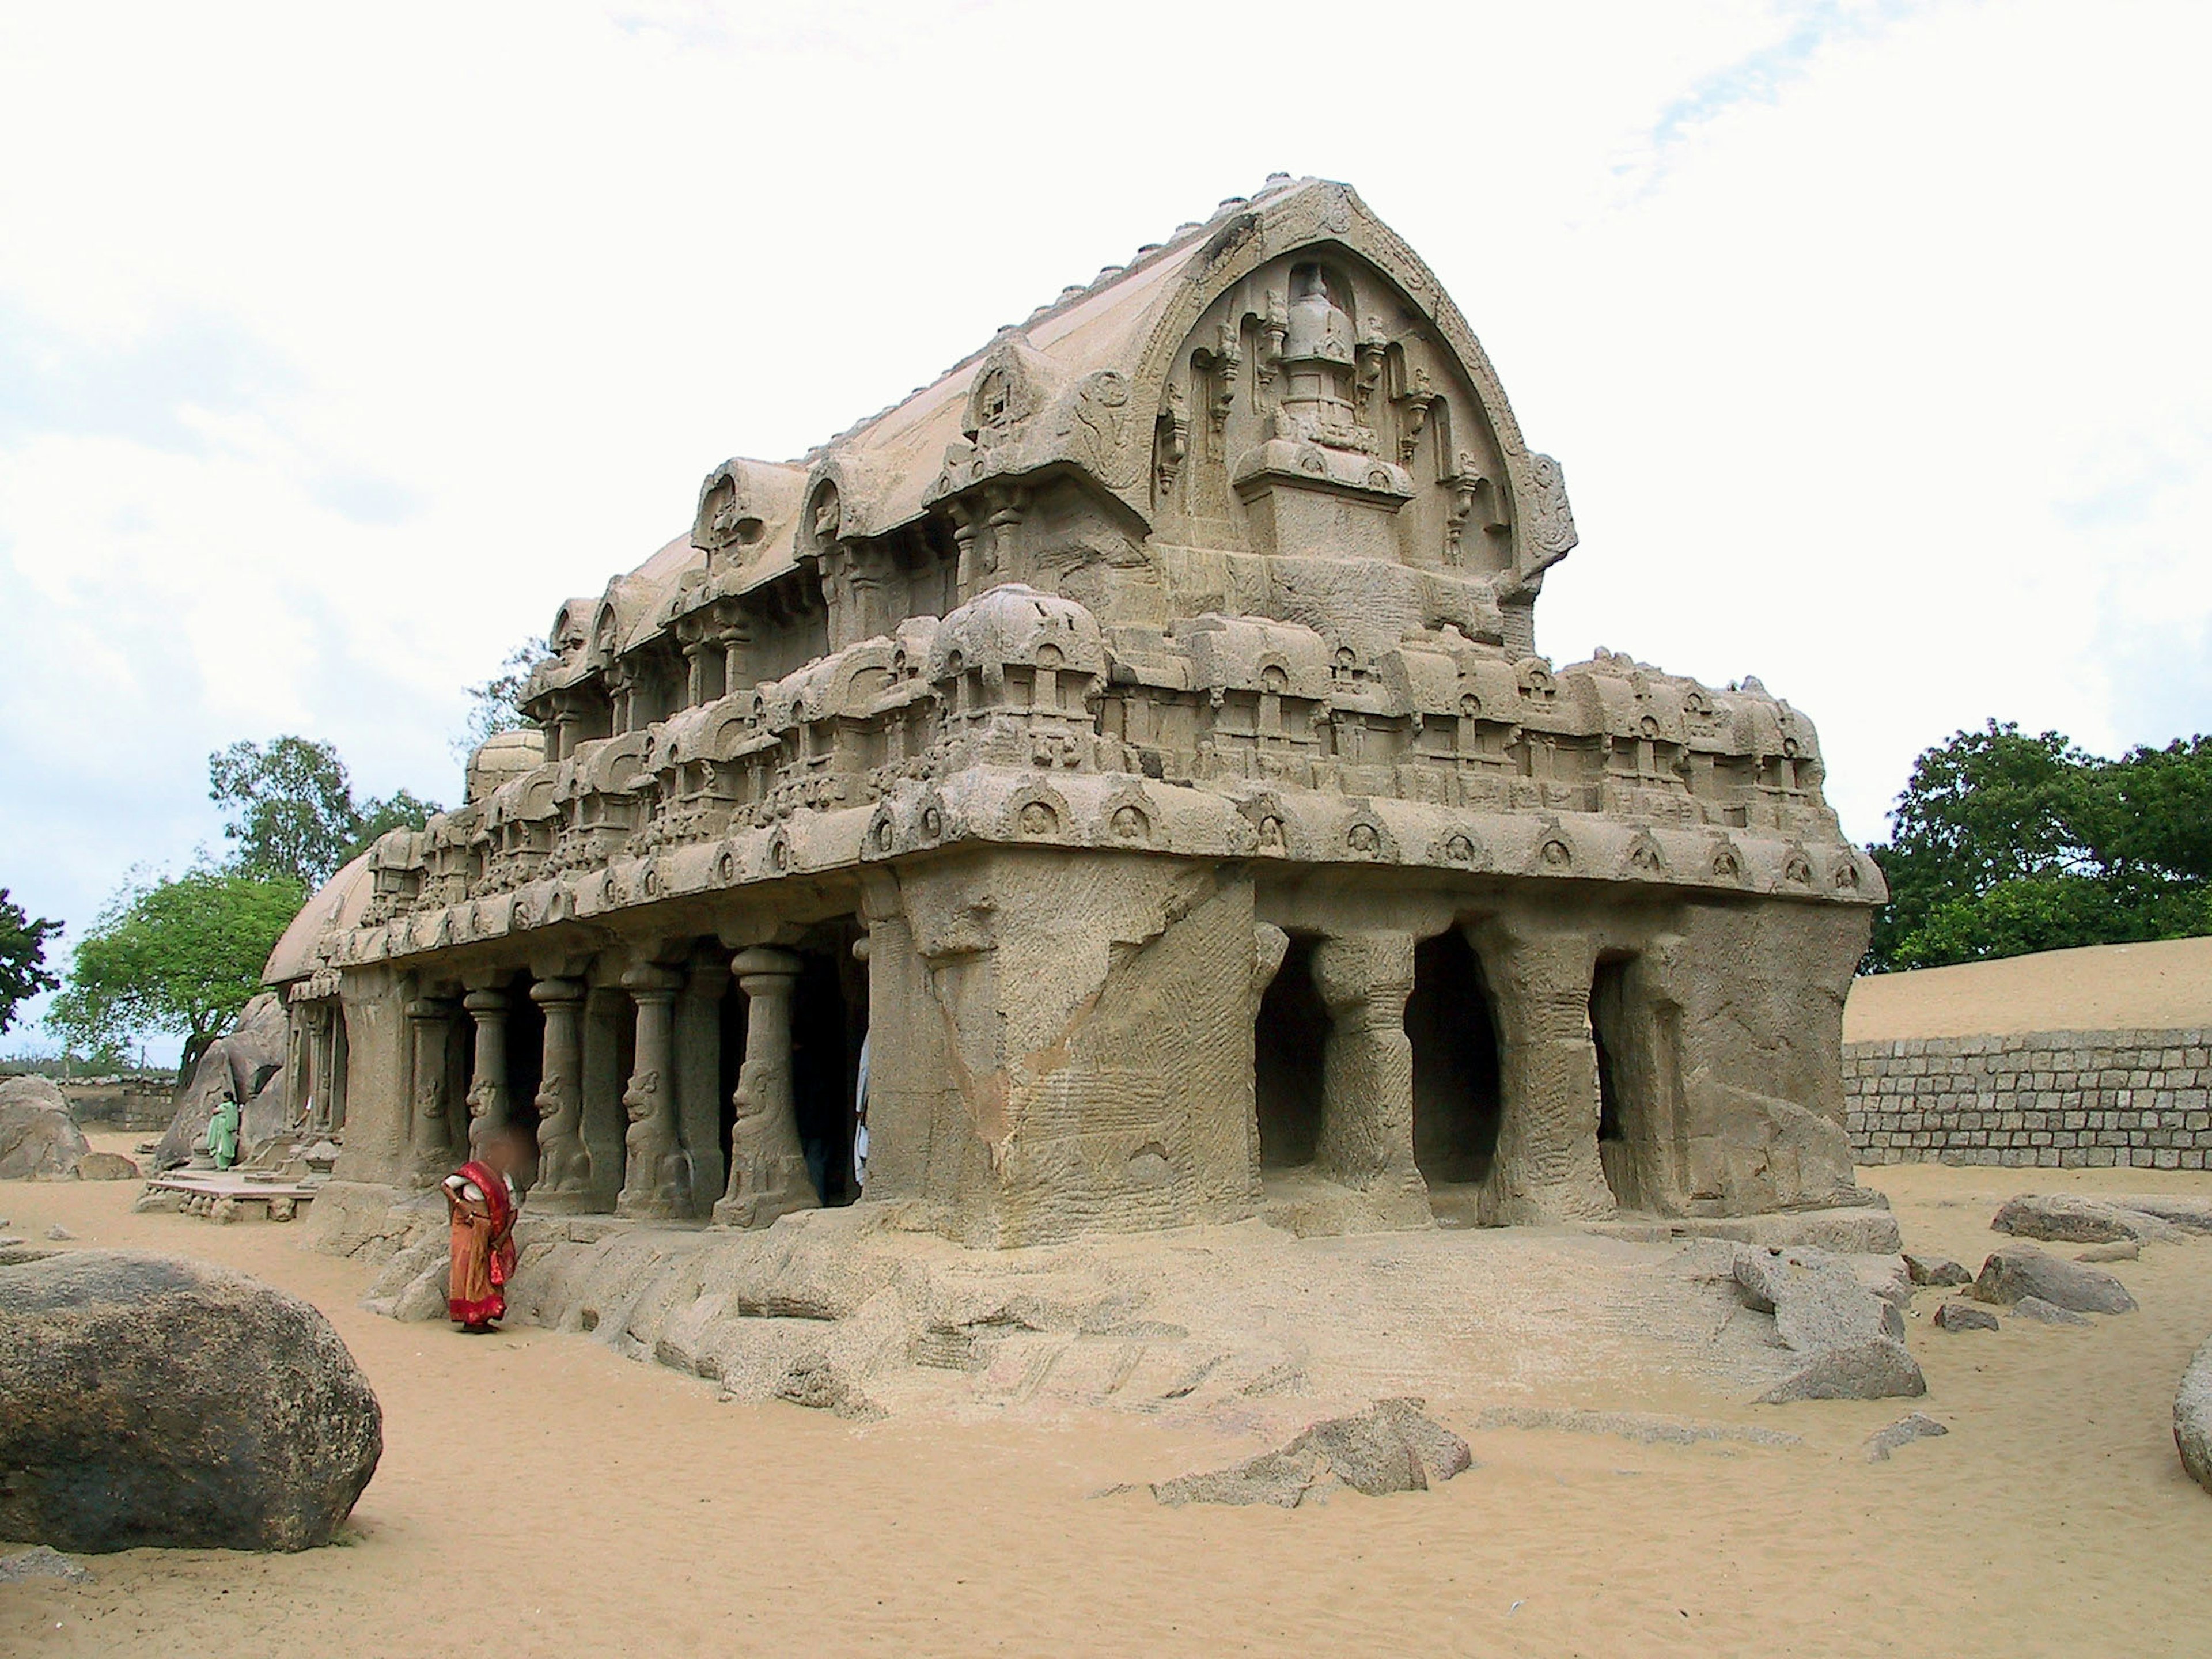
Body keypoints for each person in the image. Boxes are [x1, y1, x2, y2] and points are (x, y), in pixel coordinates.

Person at [442, 1130, 523, 1335]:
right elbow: (447, 1186)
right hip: (471, 1226)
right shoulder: (474, 1173)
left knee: (488, 1273)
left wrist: (503, 1236)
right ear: (489, 1155)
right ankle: (471, 1317)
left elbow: (513, 1210)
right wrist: (462, 1205)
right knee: (470, 1269)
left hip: (493, 1232)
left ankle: (485, 1316)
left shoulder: (505, 1179)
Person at [206, 1093, 241, 1172]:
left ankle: (222, 1166)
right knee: (226, 1146)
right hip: (229, 1130)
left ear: (227, 1098)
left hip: (223, 1130)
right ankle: (225, 1164)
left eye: (224, 1097)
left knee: (221, 1147)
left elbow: (215, 1111)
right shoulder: (233, 1106)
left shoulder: (226, 1106)